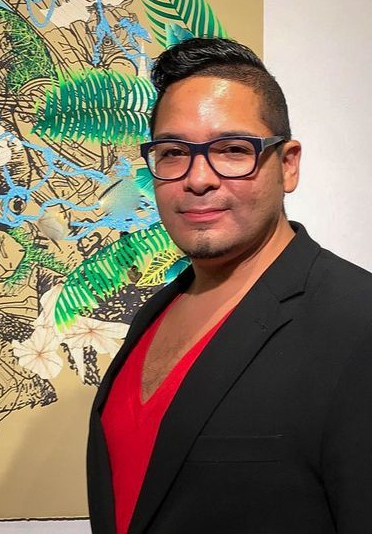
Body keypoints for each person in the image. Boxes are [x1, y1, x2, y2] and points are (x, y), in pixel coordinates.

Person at [86, 37, 372, 534]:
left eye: (233, 150)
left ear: (288, 164)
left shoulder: (358, 323)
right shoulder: (153, 315)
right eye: (173, 152)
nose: (198, 179)